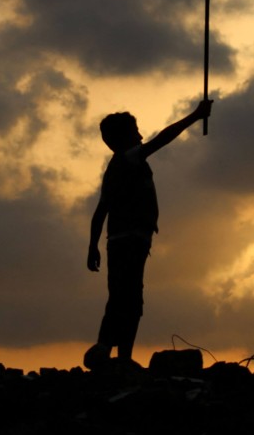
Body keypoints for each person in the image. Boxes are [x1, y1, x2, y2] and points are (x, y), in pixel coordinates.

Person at [84, 98, 213, 369]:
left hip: (126, 240)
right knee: (126, 298)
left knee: (126, 297)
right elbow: (161, 140)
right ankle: (109, 351)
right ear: (121, 139)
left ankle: (117, 355)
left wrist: (93, 246)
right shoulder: (127, 159)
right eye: (135, 132)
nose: (140, 137)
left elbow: (100, 210)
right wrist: (195, 116)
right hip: (129, 239)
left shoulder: (116, 167)